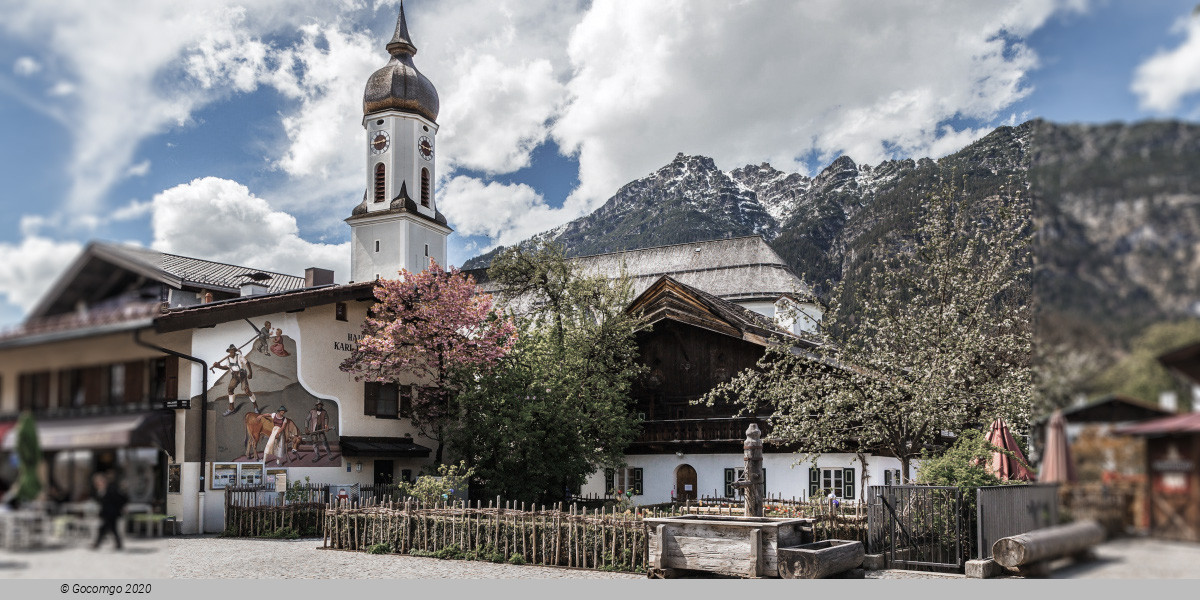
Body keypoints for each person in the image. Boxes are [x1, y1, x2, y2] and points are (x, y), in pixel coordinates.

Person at [212, 344, 258, 415]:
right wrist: (219, 366)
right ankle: (231, 408)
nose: (231, 352)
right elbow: (227, 367)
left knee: (247, 391)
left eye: (233, 350)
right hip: (234, 376)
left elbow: (247, 363)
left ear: (235, 351)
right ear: (229, 351)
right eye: (230, 351)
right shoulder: (228, 359)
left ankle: (255, 406)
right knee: (230, 389)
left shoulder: (239, 356)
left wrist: (250, 373)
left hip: (242, 375)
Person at [92, 472, 127, 551]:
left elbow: (121, 499)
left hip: (112, 513)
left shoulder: (111, 489)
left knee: (104, 528)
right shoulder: (100, 490)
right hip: (106, 513)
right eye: (96, 482)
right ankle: (118, 544)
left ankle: (97, 544)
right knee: (113, 529)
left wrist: (121, 508)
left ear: (104, 481)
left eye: (99, 481)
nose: (98, 483)